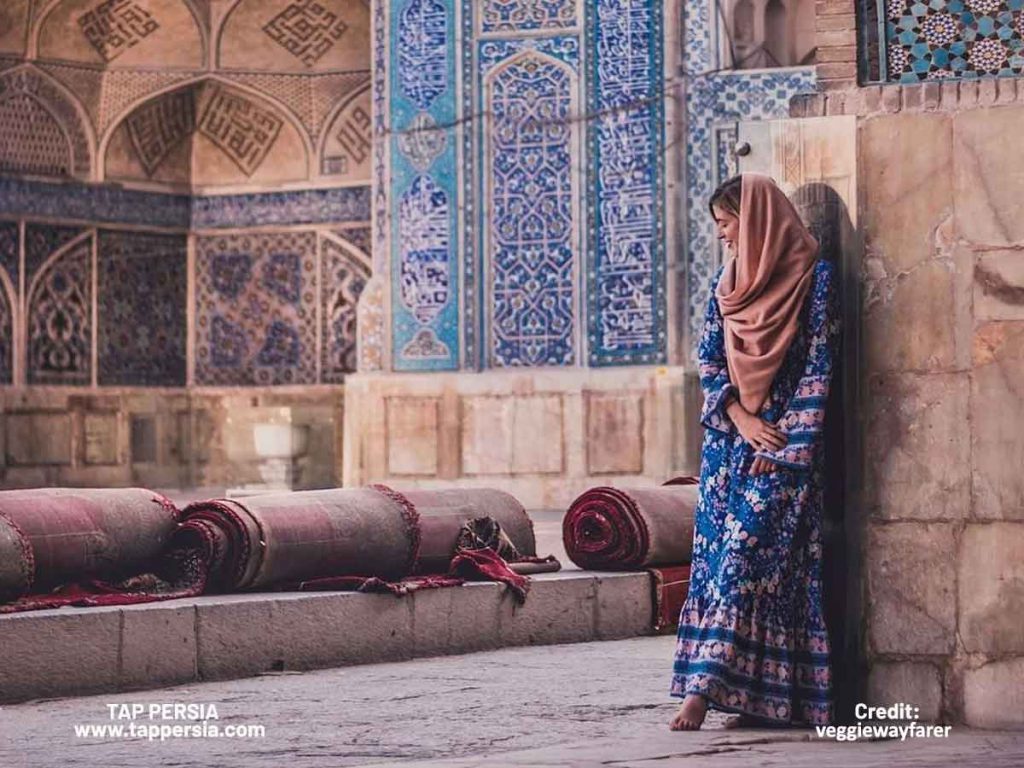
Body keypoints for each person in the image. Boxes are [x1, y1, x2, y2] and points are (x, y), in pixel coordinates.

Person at [669, 173, 839, 730]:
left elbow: (818, 367)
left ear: (758, 220)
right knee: (721, 566)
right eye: (719, 225)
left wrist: (784, 444)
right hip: (728, 453)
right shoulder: (726, 284)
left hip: (784, 451)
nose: (722, 234)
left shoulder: (815, 280)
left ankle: (705, 690)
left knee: (749, 564)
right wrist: (742, 420)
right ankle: (732, 693)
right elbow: (710, 361)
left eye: (727, 222)